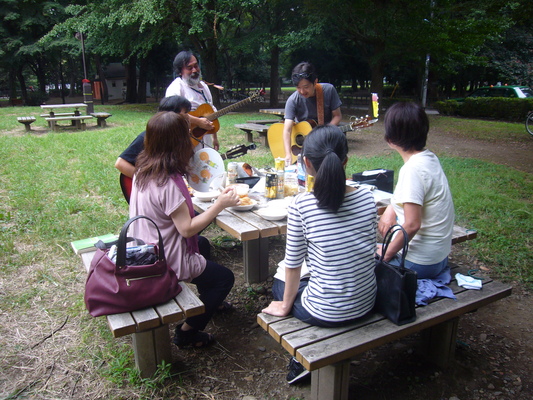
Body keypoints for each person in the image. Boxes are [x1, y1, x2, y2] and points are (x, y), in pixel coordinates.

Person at [262, 125, 377, 382]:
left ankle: (300, 360)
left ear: (306, 164)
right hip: (366, 303)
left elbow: (292, 265)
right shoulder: (368, 199)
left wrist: (285, 306)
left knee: (280, 283)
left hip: (325, 312)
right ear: (346, 161)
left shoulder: (302, 205)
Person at [129, 111, 240, 348]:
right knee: (224, 279)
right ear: (178, 142)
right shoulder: (167, 183)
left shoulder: (143, 169)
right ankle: (187, 332)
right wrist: (220, 205)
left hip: (146, 245)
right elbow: (187, 229)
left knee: (203, 245)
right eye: (187, 135)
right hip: (164, 259)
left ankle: (208, 302)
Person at [377, 102, 455, 301]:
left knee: (357, 267)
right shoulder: (429, 158)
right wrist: (390, 210)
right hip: (439, 258)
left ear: (391, 138)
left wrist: (385, 255)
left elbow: (412, 225)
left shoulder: (412, 170)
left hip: (420, 262)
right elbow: (409, 194)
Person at [114, 95, 192, 179]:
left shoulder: (178, 137)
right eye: (185, 113)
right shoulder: (148, 137)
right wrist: (146, 182)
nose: (188, 117)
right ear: (172, 116)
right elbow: (120, 163)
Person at [283, 62, 343, 165]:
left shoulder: (328, 91)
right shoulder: (293, 100)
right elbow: (287, 130)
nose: (302, 91)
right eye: (298, 87)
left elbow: (337, 116)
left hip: (326, 140)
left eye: (306, 87)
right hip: (303, 145)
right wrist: (288, 154)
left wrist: (324, 132)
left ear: (315, 82)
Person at [166, 50, 219, 150]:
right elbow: (172, 115)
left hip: (205, 140)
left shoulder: (204, 87)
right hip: (185, 142)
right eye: (189, 68)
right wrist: (198, 121)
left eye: (196, 66)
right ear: (180, 71)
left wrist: (214, 138)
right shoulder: (175, 88)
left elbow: (211, 112)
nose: (194, 70)